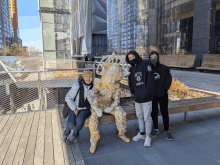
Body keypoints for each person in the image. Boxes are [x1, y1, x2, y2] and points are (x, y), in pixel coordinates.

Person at [87, 53, 130, 154]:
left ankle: (121, 133)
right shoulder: (99, 82)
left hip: (108, 106)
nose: (111, 80)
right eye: (111, 76)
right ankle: (94, 141)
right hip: (97, 105)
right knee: (93, 119)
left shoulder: (116, 85)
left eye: (114, 78)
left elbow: (117, 100)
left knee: (121, 112)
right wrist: (95, 107)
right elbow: (90, 94)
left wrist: (112, 107)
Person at [125, 50, 155, 147]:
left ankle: (148, 137)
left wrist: (147, 92)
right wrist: (133, 93)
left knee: (147, 117)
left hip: (146, 97)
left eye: (132, 56)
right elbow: (130, 82)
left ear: (136, 55)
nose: (131, 59)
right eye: (129, 58)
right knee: (139, 116)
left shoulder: (146, 63)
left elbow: (151, 79)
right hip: (137, 97)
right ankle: (142, 133)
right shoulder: (131, 69)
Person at [61, 69, 94, 144]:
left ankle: (74, 134)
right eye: (86, 76)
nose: (88, 78)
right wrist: (74, 108)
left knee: (79, 121)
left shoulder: (94, 87)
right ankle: (66, 133)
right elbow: (68, 98)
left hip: (86, 108)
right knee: (70, 123)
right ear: (83, 76)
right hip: (74, 107)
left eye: (90, 76)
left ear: (92, 77)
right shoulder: (77, 85)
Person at [148, 51, 173, 140]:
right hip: (152, 95)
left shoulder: (164, 68)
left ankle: (167, 130)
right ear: (149, 58)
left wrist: (165, 89)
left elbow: (169, 79)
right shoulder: (148, 69)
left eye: (155, 56)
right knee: (153, 113)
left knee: (164, 112)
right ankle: (155, 129)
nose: (153, 58)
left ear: (158, 57)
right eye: (151, 57)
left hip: (162, 94)